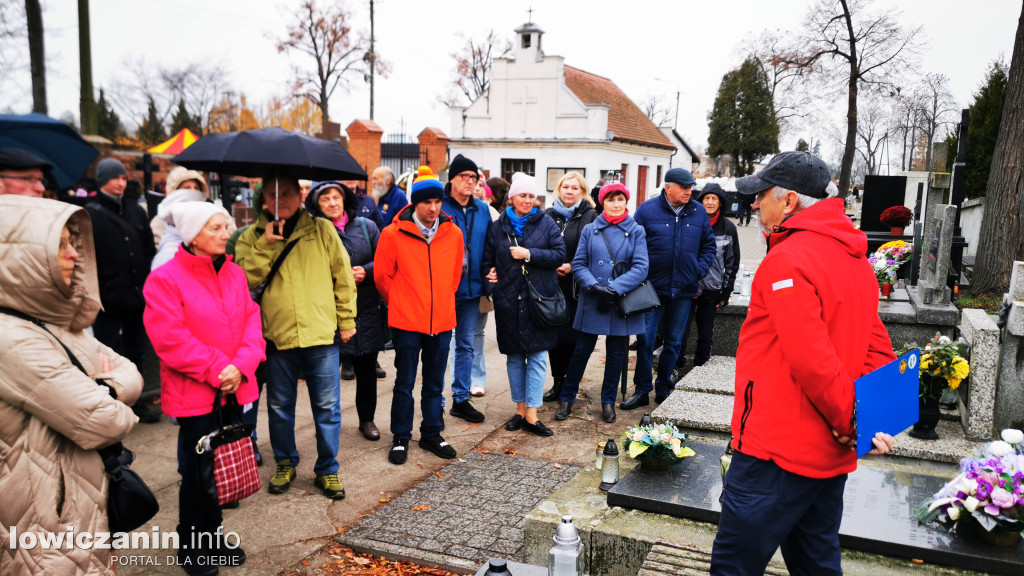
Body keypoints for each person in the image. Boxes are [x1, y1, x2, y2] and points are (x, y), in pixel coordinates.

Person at [709, 151, 896, 575]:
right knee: (816, 562)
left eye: (762, 196)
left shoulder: (788, 260)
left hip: (775, 451)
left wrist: (851, 421)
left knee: (734, 565)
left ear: (789, 201)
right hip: (827, 454)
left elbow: (812, 360)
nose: (754, 205)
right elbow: (876, 347)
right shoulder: (853, 257)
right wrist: (867, 420)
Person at [0, 195, 143, 575]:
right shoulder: (10, 338)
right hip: (43, 515)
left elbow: (132, 372)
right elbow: (105, 420)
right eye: (59, 245)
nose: (73, 255)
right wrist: (110, 392)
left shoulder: (57, 322)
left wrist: (102, 387)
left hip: (79, 500)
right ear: (21, 258)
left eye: (72, 243)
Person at [143, 202, 264, 570]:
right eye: (216, 228)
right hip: (195, 395)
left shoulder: (233, 274)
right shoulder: (164, 279)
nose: (226, 234)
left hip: (232, 389)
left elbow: (252, 325)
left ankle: (211, 537)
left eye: (225, 227)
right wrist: (219, 370)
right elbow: (171, 340)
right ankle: (194, 547)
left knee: (222, 467)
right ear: (194, 236)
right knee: (198, 475)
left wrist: (240, 367)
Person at [234, 170, 357, 499]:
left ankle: (327, 469)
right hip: (276, 336)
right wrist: (265, 244)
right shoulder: (250, 236)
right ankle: (285, 462)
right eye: (273, 195)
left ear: (300, 197)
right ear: (263, 200)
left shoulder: (322, 229)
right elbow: (242, 280)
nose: (280, 200)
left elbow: (342, 277)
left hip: (321, 334)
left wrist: (346, 320)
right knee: (279, 406)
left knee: (328, 406)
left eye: (287, 193)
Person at [375, 166, 464, 465]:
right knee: (405, 381)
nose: (433, 208)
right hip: (407, 322)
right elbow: (383, 278)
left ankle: (431, 432)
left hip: (441, 321)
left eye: (438, 202)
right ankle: (401, 436)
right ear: (415, 203)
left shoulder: (453, 234)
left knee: (435, 382)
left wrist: (438, 302)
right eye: (427, 202)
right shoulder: (393, 233)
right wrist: (402, 301)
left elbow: (454, 277)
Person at [623, 168, 716, 410]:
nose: (688, 191)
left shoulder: (697, 212)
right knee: (645, 341)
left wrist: (698, 270)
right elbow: (632, 244)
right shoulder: (647, 210)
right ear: (668, 188)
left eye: (690, 187)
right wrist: (639, 273)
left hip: (684, 289)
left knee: (674, 342)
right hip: (650, 287)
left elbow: (709, 245)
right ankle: (642, 389)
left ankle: (664, 386)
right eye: (683, 187)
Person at [554, 183, 647, 424]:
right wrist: (594, 287)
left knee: (617, 354)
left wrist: (614, 289)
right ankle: (567, 397)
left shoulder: (636, 230)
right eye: (611, 200)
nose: (616, 205)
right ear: (602, 203)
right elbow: (580, 263)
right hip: (593, 298)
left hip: (620, 299)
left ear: (626, 202)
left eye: (620, 199)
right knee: (581, 351)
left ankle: (607, 402)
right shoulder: (590, 229)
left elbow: (641, 267)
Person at [483, 172, 565, 437]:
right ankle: (519, 409)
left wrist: (529, 254)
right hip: (508, 301)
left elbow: (559, 255)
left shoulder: (547, 223)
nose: (527, 200)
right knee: (515, 358)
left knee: (539, 357)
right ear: (512, 198)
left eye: (531, 196)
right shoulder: (497, 227)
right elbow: (486, 262)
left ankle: (532, 412)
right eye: (522, 195)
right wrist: (491, 285)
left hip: (538, 300)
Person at [304, 181, 385, 441]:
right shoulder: (312, 232)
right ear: (317, 205)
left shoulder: (366, 226)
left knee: (366, 371)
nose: (331, 203)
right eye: (325, 198)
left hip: (365, 309)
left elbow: (384, 259)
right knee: (326, 377)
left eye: (336, 197)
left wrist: (367, 271)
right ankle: (328, 426)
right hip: (328, 313)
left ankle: (367, 420)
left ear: (345, 200)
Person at [85, 157, 161, 423]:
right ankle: (109, 404)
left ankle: (136, 399)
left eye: (123, 177)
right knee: (105, 355)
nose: (120, 182)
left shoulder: (136, 212)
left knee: (135, 350)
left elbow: (148, 251)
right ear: (103, 180)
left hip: (136, 298)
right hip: (107, 300)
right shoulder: (91, 214)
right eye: (114, 177)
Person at [441, 154, 490, 422]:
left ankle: (460, 398)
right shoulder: (439, 206)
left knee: (466, 345)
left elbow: (489, 246)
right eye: (465, 177)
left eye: (474, 177)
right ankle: (435, 400)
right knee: (438, 346)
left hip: (472, 290)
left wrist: (489, 273)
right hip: (444, 290)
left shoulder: (481, 209)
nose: (470, 182)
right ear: (452, 179)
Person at [542, 171, 597, 403]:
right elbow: (538, 243)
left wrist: (573, 266)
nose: (569, 192)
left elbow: (595, 249)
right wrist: (551, 263)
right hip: (552, 285)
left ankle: (570, 386)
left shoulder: (591, 216)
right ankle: (557, 383)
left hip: (577, 286)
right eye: (566, 187)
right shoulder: (547, 215)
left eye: (575, 188)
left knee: (574, 339)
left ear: (582, 192)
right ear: (559, 190)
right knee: (554, 339)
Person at [678, 183, 740, 371]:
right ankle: (676, 366)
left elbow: (732, 262)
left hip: (712, 288)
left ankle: (700, 368)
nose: (710, 202)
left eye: (714, 199)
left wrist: (726, 291)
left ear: (720, 203)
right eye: (707, 198)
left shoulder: (728, 228)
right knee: (681, 331)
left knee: (706, 334)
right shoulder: (690, 222)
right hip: (688, 286)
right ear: (701, 201)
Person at [151, 167, 238, 270]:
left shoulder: (217, 213)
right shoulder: (162, 222)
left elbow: (231, 239)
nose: (193, 192)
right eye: (187, 188)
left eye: (196, 188)